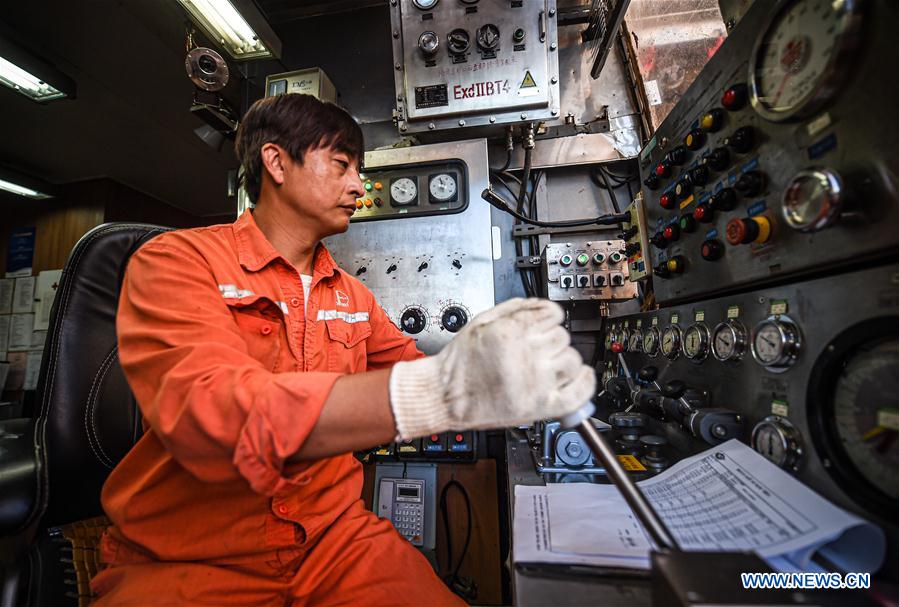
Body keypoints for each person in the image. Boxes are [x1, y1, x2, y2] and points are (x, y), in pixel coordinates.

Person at [90, 93, 595, 605]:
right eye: (341, 165)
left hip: (333, 543)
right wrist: (441, 390)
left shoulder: (352, 297)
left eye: (359, 169)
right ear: (276, 162)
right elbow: (209, 414)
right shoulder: (178, 262)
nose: (359, 185)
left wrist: (506, 373)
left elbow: (421, 371)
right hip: (189, 557)